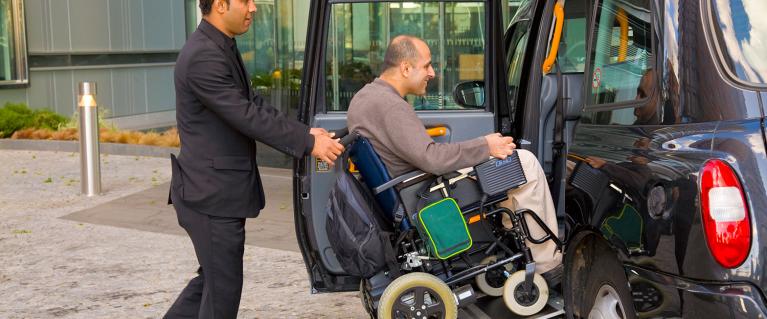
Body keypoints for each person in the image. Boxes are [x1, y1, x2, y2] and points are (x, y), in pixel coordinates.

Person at [165, 0, 343, 318]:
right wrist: (308, 144)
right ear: (220, 5)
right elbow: (246, 116)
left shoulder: (219, 45)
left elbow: (255, 105)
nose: (254, 7)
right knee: (222, 295)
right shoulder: (204, 55)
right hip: (211, 196)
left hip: (216, 192)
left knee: (213, 282)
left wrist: (306, 132)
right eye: (245, 1)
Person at [347, 35, 562, 281]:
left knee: (509, 165)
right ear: (405, 68)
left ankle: (516, 240)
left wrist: (482, 148)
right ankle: (547, 265)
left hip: (408, 188)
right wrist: (485, 146)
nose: (432, 73)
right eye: (427, 65)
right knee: (525, 164)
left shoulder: (364, 97)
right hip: (424, 192)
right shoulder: (392, 107)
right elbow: (431, 158)